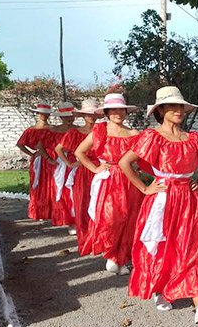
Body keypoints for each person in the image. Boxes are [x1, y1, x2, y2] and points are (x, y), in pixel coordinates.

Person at [119, 86, 198, 325]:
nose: (178, 111)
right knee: (163, 247)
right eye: (172, 106)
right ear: (160, 110)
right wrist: (145, 188)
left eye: (180, 106)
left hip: (188, 200)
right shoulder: (152, 137)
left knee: (190, 248)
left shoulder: (194, 139)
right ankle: (161, 288)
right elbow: (125, 163)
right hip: (161, 200)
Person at [74, 91, 143, 275]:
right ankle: (112, 254)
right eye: (113, 110)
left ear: (126, 112)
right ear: (106, 112)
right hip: (109, 180)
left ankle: (121, 259)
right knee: (111, 219)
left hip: (129, 180)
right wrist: (95, 168)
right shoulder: (99, 130)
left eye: (121, 110)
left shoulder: (134, 133)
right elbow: (79, 152)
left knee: (130, 219)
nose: (117, 114)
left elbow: (143, 158)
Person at [55, 99, 99, 239]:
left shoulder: (102, 131)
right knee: (82, 200)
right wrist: (69, 164)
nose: (90, 117)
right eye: (87, 114)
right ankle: (84, 230)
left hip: (100, 169)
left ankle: (98, 230)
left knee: (99, 200)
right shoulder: (75, 133)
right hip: (82, 171)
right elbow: (58, 149)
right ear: (82, 116)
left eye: (93, 114)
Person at [16, 101, 56, 221]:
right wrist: (32, 154)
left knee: (51, 184)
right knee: (38, 184)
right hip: (39, 160)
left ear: (49, 115)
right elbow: (20, 144)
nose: (43, 116)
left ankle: (51, 210)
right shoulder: (31, 130)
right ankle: (39, 212)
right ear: (37, 114)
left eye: (46, 114)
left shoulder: (53, 129)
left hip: (51, 158)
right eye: (41, 113)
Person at [49, 101, 78, 229]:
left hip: (78, 161)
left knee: (77, 191)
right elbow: (50, 147)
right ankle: (67, 219)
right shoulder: (54, 130)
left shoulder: (78, 130)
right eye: (65, 116)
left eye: (71, 115)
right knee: (64, 191)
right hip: (61, 163)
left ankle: (78, 219)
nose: (69, 118)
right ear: (61, 117)